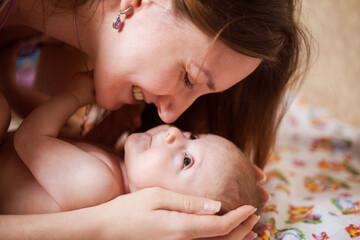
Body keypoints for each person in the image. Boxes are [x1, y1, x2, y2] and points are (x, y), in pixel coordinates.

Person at [0, 0, 310, 238]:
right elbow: (31, 139)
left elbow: (41, 127)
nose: (171, 119)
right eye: (189, 77)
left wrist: (228, 176)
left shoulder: (59, 52)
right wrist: (102, 227)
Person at [0, 73, 263, 219]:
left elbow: (30, 140)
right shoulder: (116, 176)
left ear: (171, 210)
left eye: (186, 161)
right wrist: (112, 128)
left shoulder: (98, 184)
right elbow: (72, 150)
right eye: (192, 136)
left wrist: (74, 95)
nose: (173, 133)